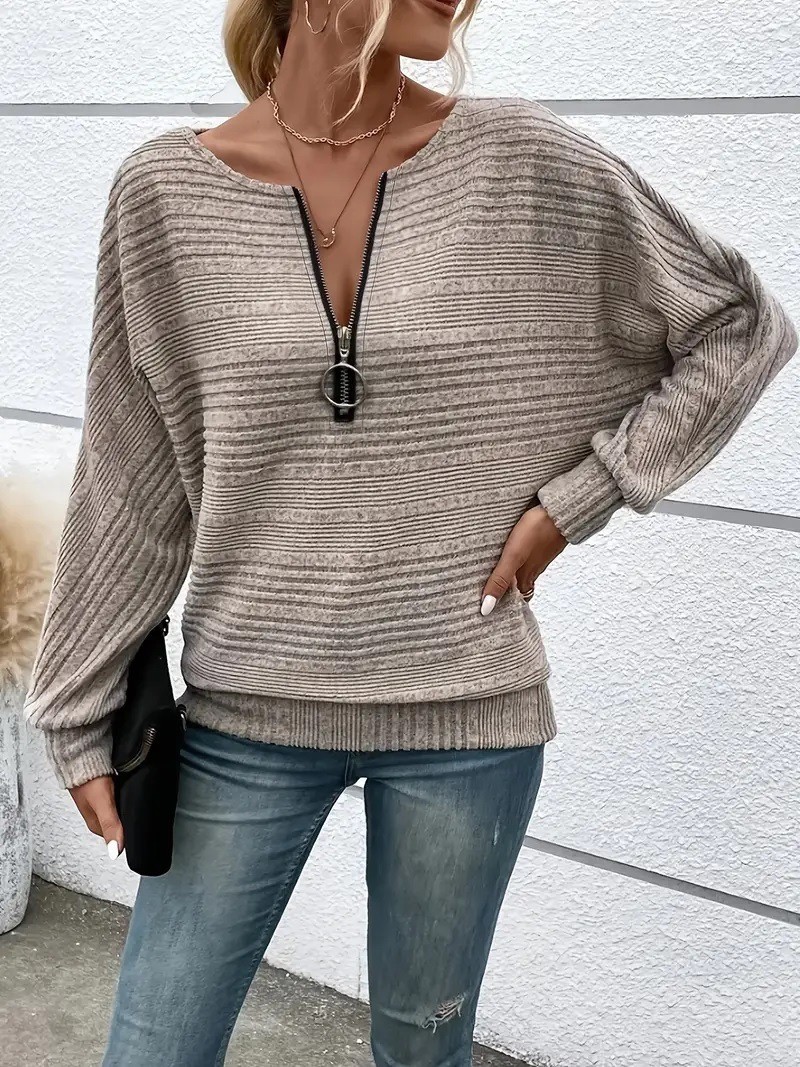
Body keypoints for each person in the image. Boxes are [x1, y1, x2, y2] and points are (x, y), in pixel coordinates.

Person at [22, 0, 798, 1064]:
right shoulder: (163, 194)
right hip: (244, 717)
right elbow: (130, 475)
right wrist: (74, 702)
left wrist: (575, 502)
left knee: (422, 1051)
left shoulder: (518, 158)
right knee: (154, 1045)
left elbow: (738, 324)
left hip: (467, 719)